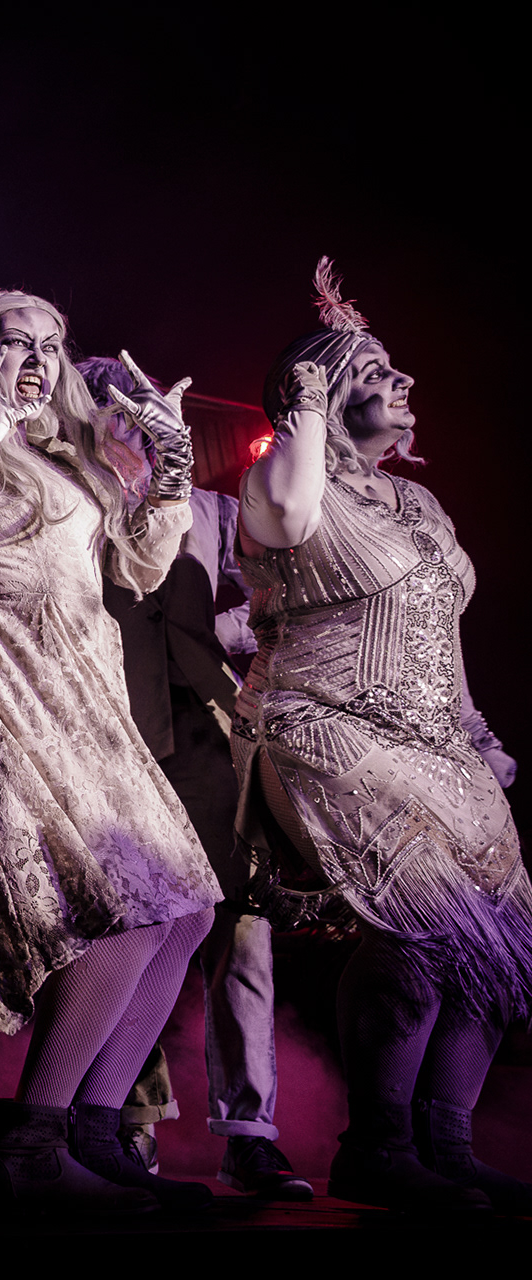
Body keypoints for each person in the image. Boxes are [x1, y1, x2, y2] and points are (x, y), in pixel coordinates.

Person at [0, 291, 222, 1214]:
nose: (35, 357)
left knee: (187, 912)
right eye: (14, 340)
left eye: (51, 343)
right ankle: (31, 1144)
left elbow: (142, 568)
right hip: (4, 690)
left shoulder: (70, 458)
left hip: (86, 698)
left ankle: (93, 1134)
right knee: (127, 914)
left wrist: (171, 465)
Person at [236, 259, 529, 1214]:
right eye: (372, 370)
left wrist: (476, 731)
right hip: (325, 724)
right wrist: (305, 408)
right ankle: (378, 1147)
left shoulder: (420, 504)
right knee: (420, 923)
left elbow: (438, 625)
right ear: (317, 395)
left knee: (499, 941)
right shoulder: (282, 481)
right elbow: (291, 511)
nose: (402, 379)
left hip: (440, 743)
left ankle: (446, 1146)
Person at [79, 357, 313, 1200]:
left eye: (143, 412)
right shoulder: (74, 503)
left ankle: (249, 1135)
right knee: (127, 933)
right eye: (115, 412)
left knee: (240, 931)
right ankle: (126, 1125)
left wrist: (234, 632)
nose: (134, 425)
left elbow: (282, 601)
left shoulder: (215, 511)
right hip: (116, 737)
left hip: (211, 739)